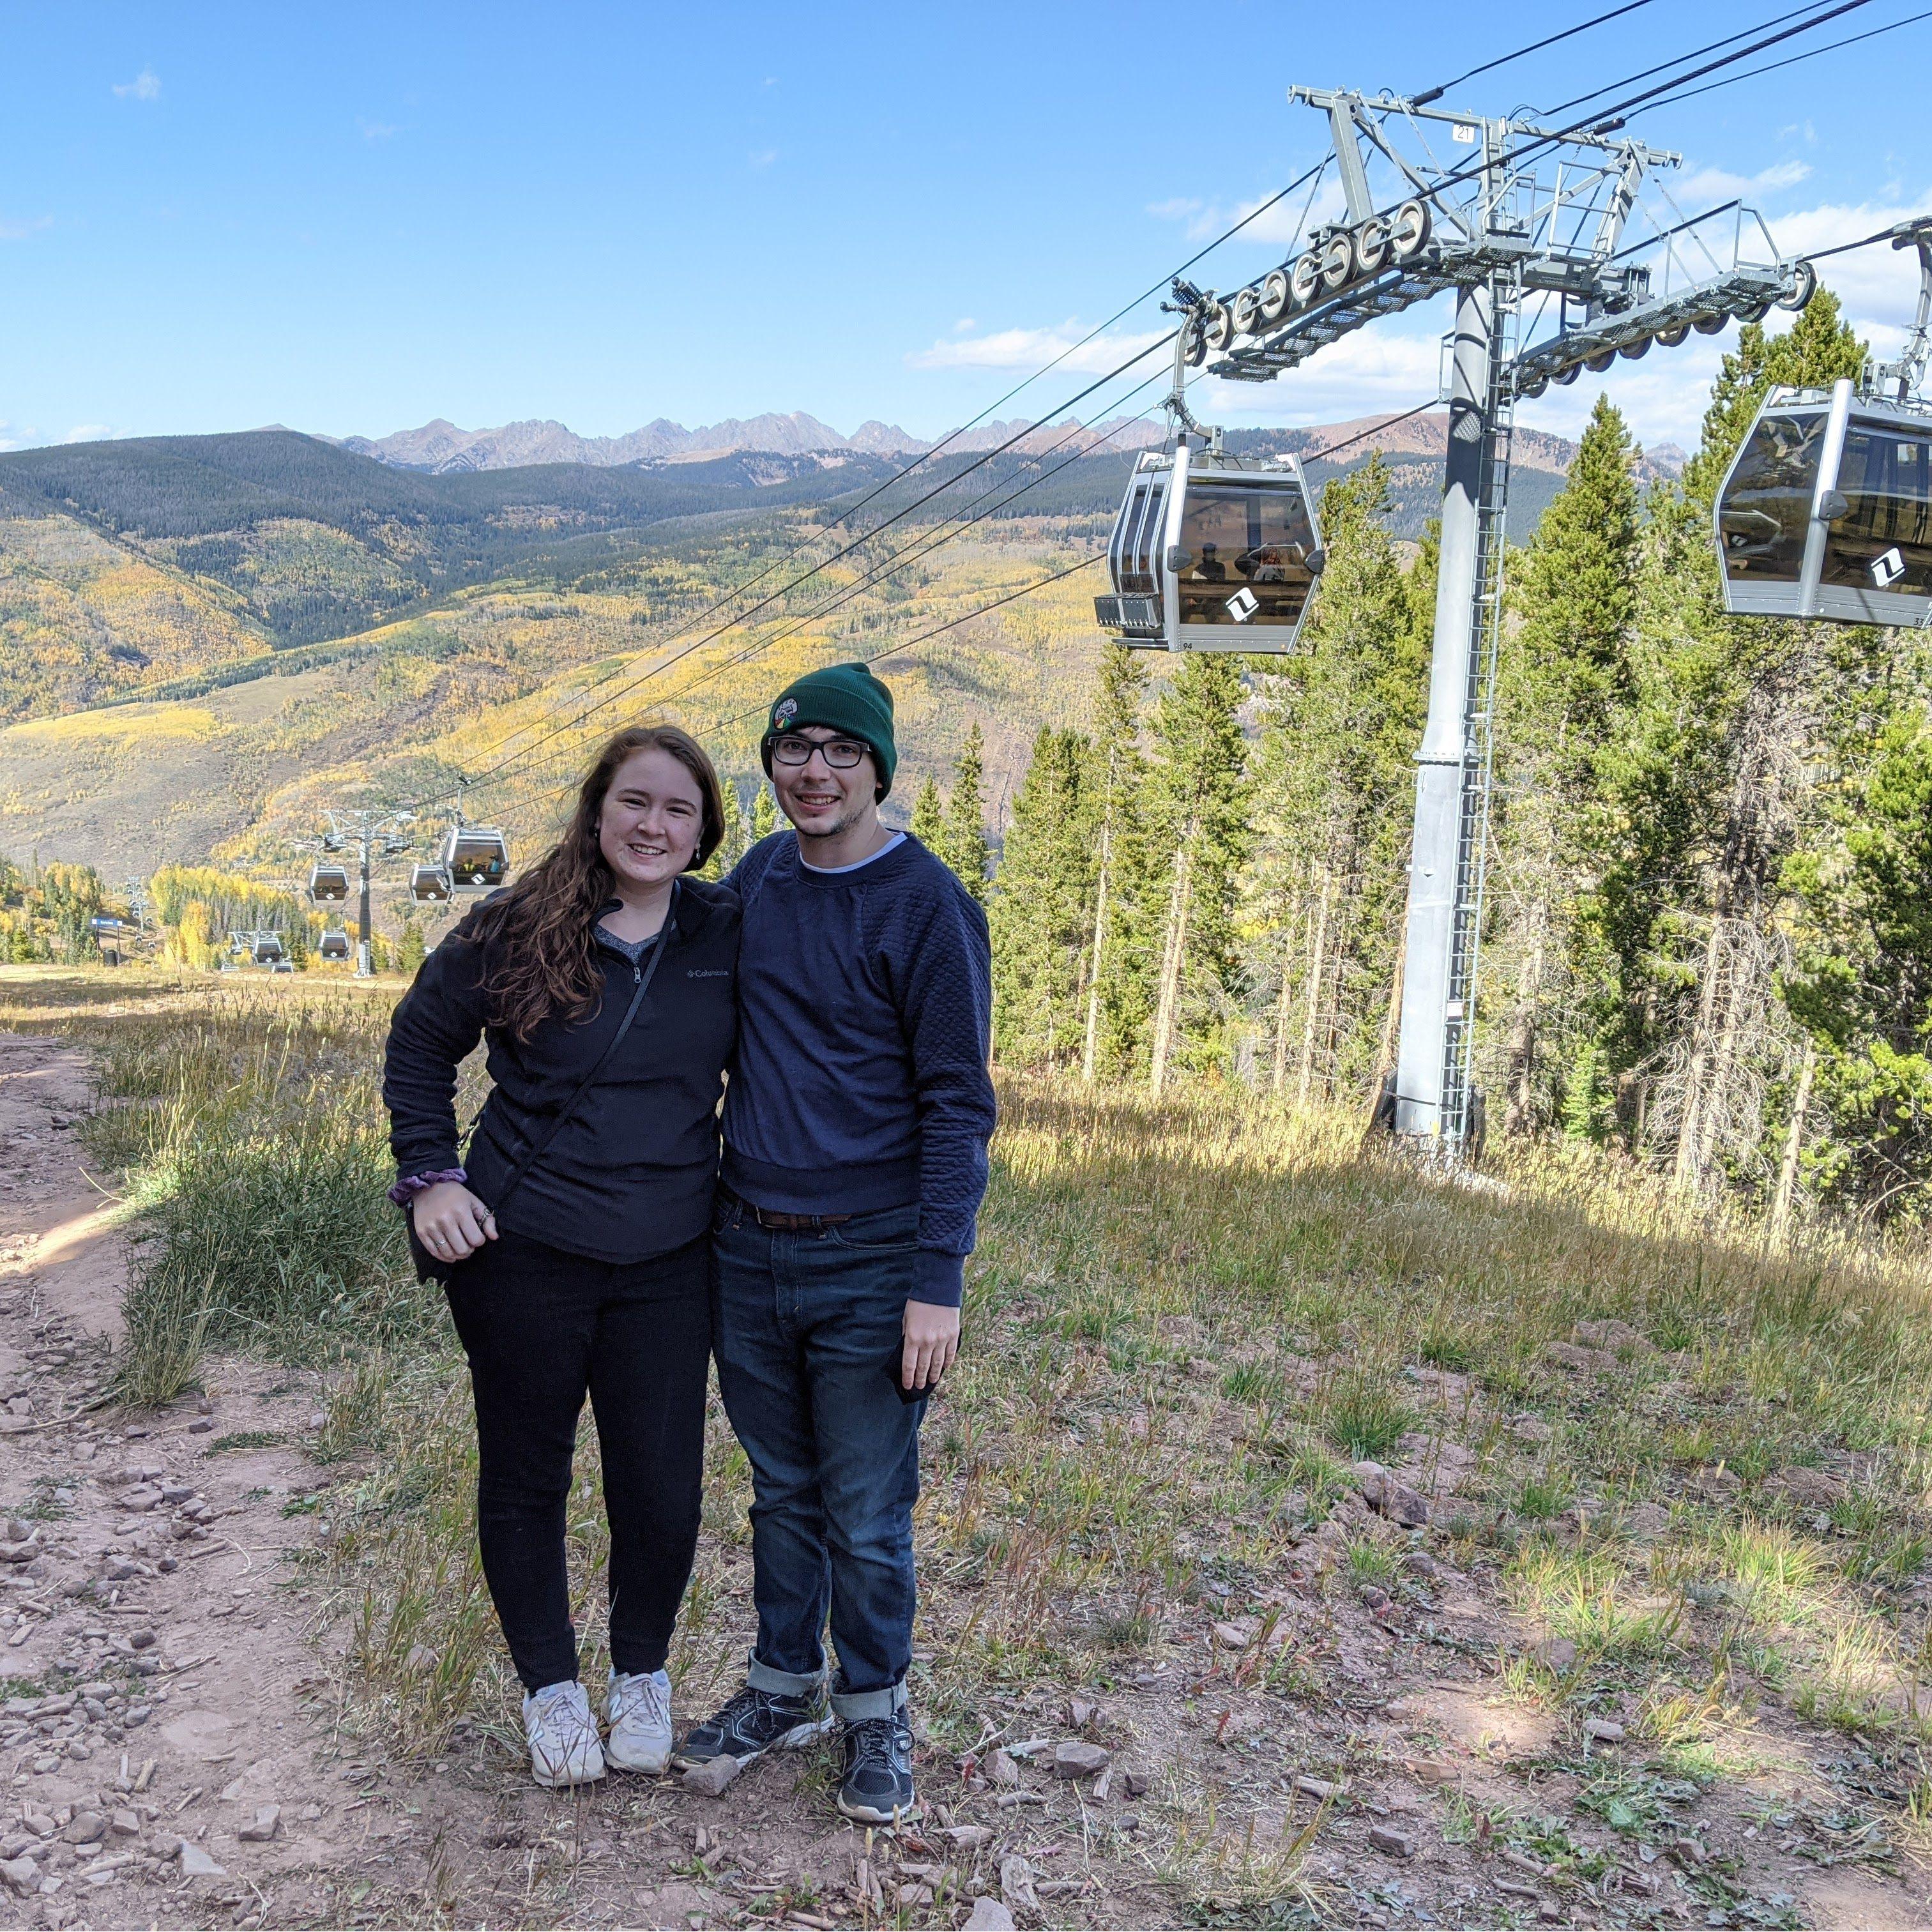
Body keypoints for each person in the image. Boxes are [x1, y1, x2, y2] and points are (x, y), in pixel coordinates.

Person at [381, 724, 738, 1790]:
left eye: (678, 809)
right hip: (523, 1252)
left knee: (661, 1485)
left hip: (668, 1258)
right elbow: (420, 1039)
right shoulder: (516, 925)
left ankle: (641, 1675)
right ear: (596, 810)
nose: (653, 825)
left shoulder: (727, 930)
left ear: (704, 832)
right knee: (526, 1475)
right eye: (635, 801)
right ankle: (550, 1689)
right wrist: (431, 1176)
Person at [674, 662, 996, 1826]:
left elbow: (958, 1102)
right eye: (793, 749)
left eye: (840, 750)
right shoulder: (760, 876)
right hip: (745, 1243)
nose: (814, 771)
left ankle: (874, 1709)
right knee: (782, 1491)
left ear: (877, 766)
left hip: (873, 1254)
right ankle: (780, 1685)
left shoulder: (927, 904)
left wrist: (935, 1279)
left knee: (865, 1507)